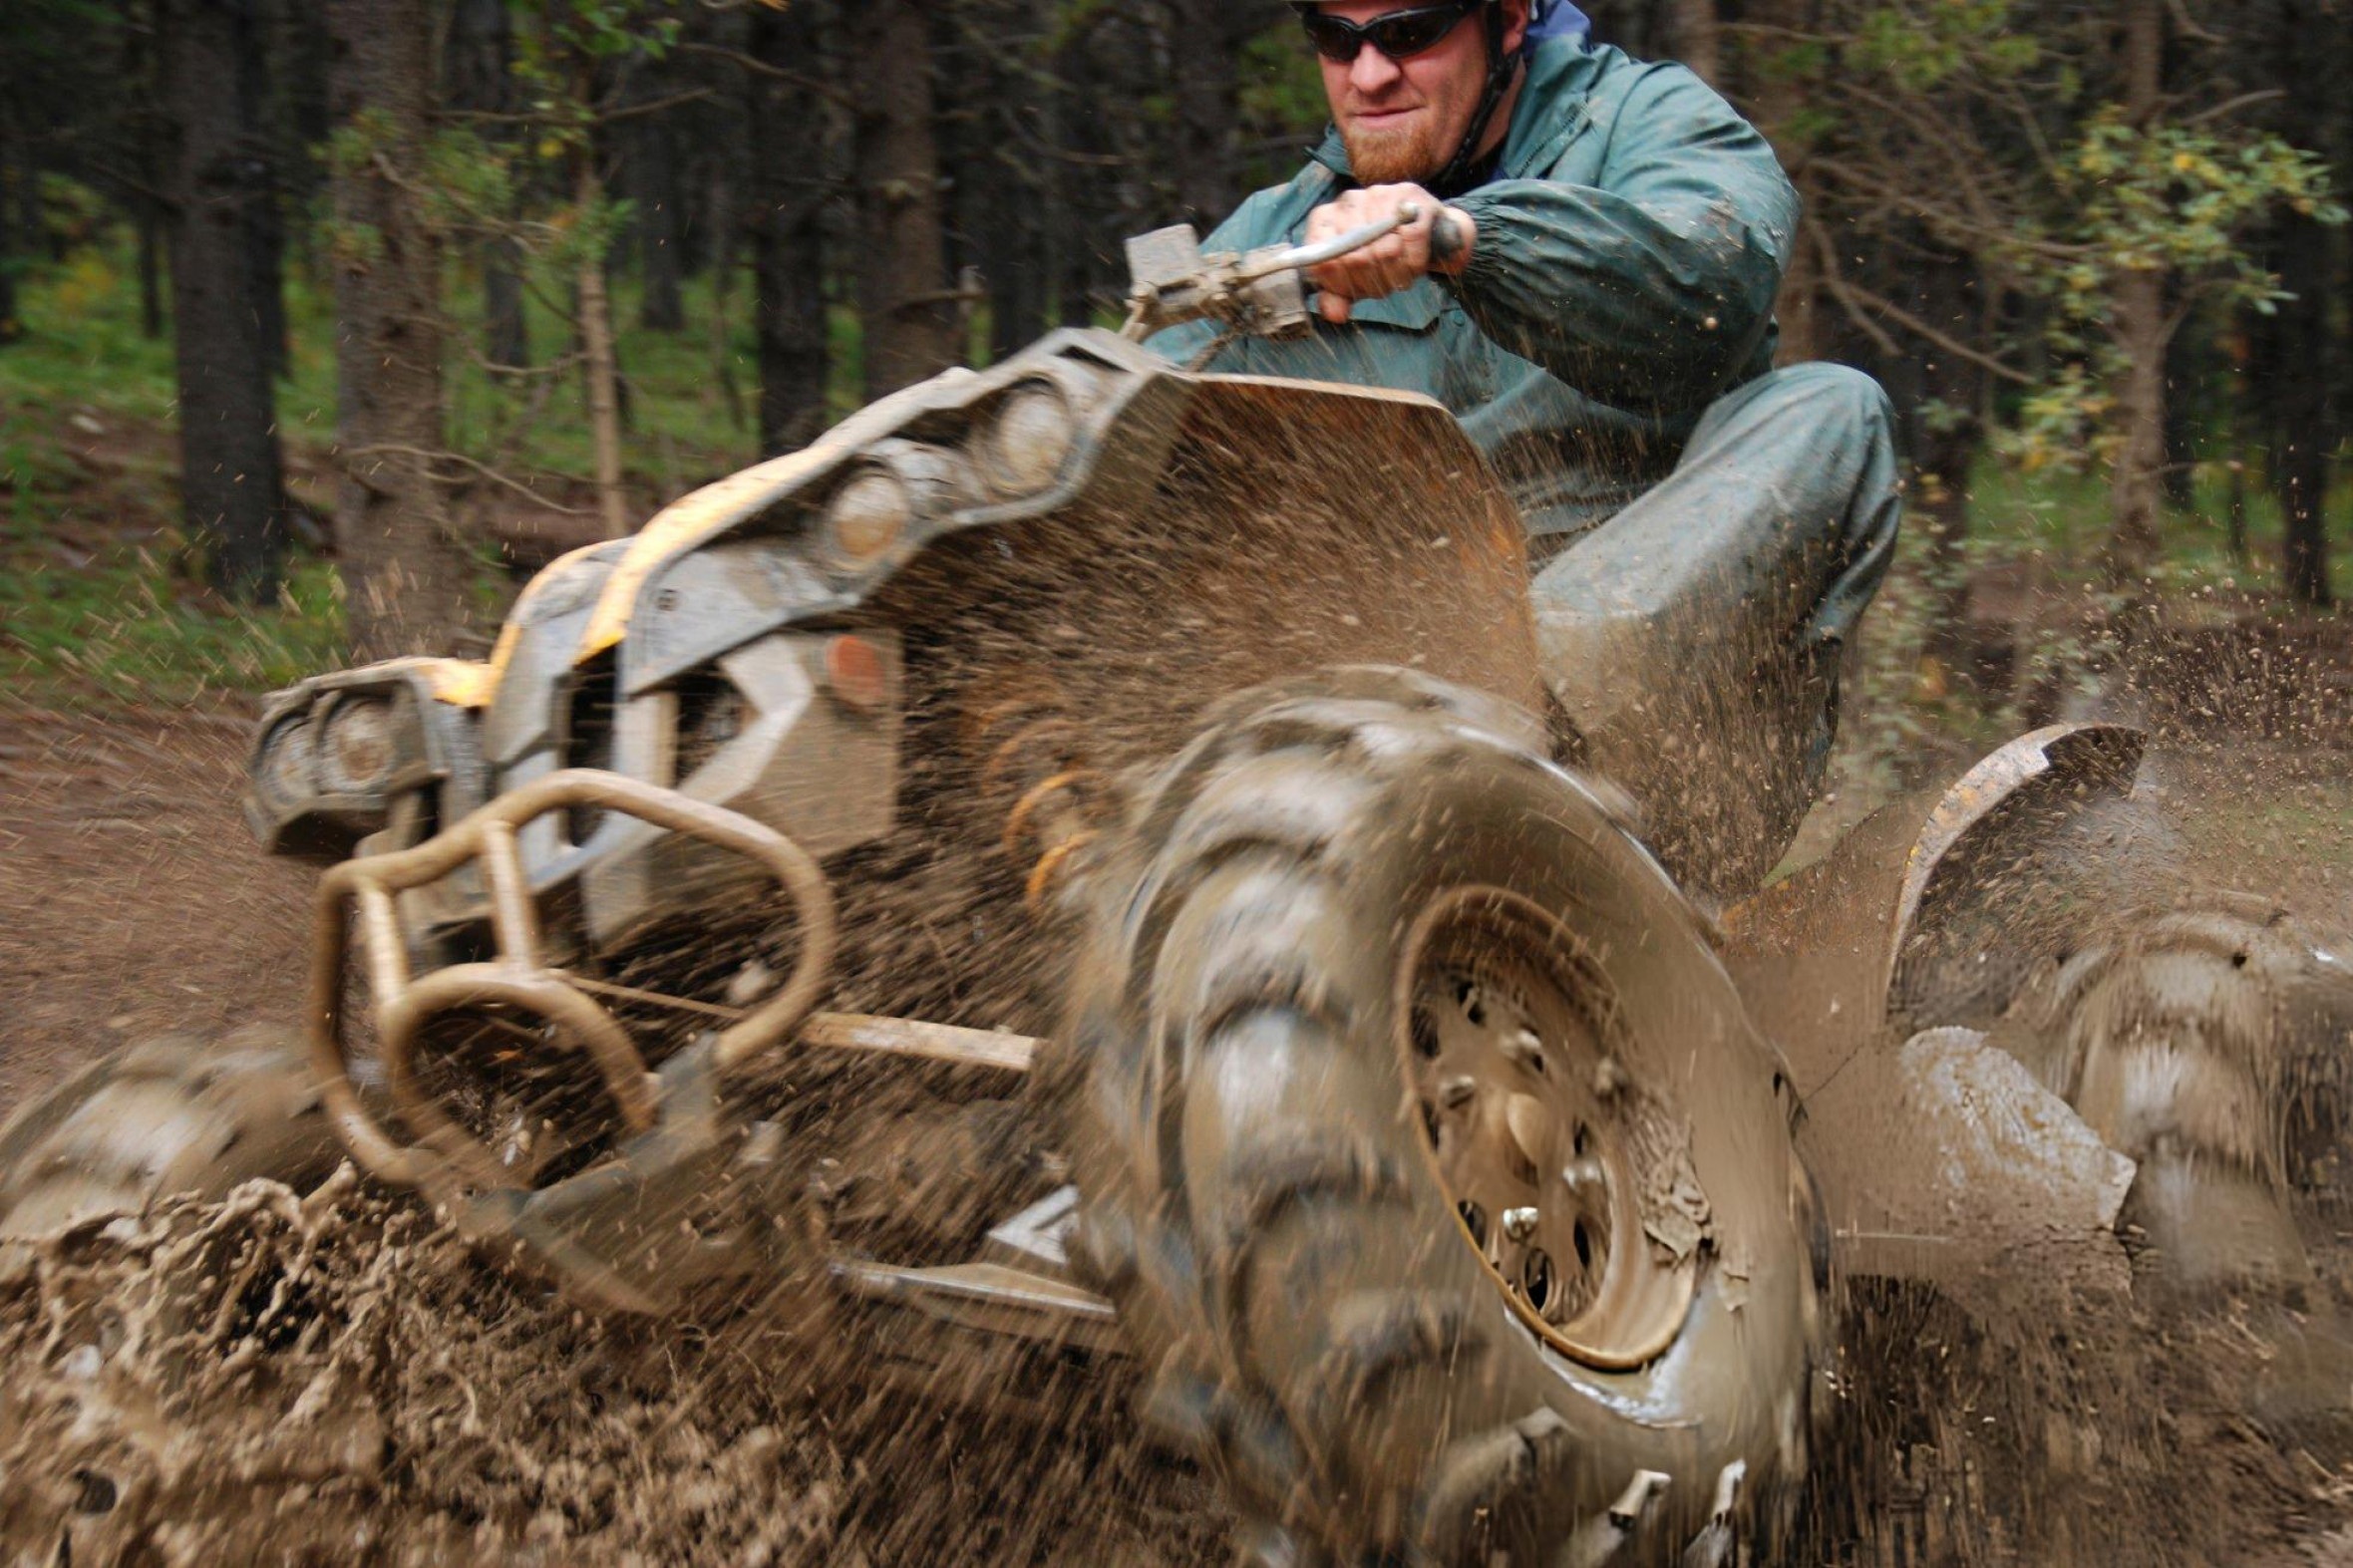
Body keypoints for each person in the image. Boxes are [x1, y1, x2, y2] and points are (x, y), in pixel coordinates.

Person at [1152, 0, 1903, 897]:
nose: (1368, 74)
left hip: (1659, 737)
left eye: (1408, 32)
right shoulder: (1275, 236)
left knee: (1835, 408)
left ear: (1507, 19)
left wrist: (1463, 241)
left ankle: (1513, 738)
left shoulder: (1649, 123)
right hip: (1365, 709)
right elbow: (1116, 433)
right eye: (1334, 37)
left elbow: (1712, 285)